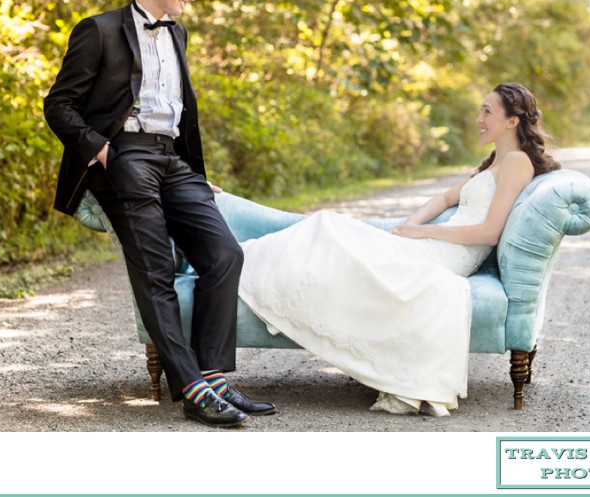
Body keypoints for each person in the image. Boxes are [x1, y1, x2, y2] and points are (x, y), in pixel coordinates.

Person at [43, 0, 275, 428]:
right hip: (122, 156)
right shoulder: (99, 30)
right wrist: (103, 150)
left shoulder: (178, 35)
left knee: (224, 255)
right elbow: (58, 105)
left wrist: (195, 173)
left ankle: (211, 377)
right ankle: (191, 389)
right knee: (154, 270)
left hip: (172, 161)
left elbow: (181, 113)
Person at [238, 82, 561, 416]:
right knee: (328, 224)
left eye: (487, 111)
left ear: (512, 120)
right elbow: (445, 198)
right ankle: (238, 261)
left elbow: (490, 233)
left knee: (329, 229)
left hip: (450, 254)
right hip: (434, 242)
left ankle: (237, 265)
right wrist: (406, 227)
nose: (478, 117)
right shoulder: (497, 160)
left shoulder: (517, 162)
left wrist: (423, 232)